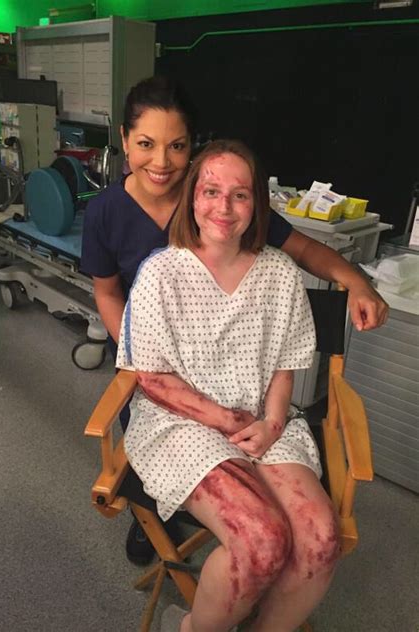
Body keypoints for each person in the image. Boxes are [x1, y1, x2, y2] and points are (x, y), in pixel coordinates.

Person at [80, 76, 388, 566]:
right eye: (145, 144)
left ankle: (249, 555)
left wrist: (357, 282)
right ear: (123, 140)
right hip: (160, 371)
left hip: (236, 375)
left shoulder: (216, 195)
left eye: (176, 146)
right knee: (161, 467)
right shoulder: (106, 213)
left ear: (192, 149)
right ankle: (161, 527)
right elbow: (107, 291)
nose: (161, 162)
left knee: (270, 514)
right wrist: (141, 358)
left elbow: (303, 249)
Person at [117, 139, 339, 632]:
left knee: (321, 540)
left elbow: (286, 362)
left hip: (263, 417)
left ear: (257, 204)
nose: (224, 206)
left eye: (240, 195)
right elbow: (151, 377)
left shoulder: (279, 274)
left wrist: (273, 421)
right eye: (211, 190)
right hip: (179, 424)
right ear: (192, 198)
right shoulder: (161, 273)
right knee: (261, 541)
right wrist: (225, 420)